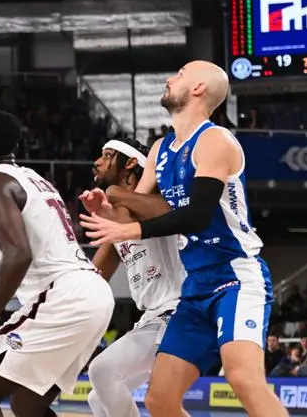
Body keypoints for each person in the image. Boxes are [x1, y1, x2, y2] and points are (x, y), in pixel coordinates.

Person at [79, 61, 287, 417]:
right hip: (195, 289)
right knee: (160, 399)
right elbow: (136, 210)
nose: (168, 78)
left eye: (178, 74)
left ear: (198, 89)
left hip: (235, 275)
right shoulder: (161, 149)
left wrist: (128, 227)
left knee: (243, 379)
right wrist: (108, 208)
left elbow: (197, 215)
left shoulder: (215, 140)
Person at [0, 110, 115, 417]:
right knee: (28, 405)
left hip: (65, 296)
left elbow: (18, 255)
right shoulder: (36, 179)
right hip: (94, 294)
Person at [81, 139, 184, 417]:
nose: (98, 162)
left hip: (178, 314)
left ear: (130, 164)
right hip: (152, 318)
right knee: (97, 398)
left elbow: (164, 214)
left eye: (107, 156)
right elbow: (95, 278)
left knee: (102, 371)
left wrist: (113, 195)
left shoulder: (158, 202)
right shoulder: (118, 216)